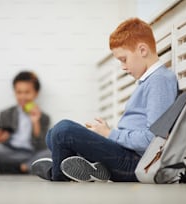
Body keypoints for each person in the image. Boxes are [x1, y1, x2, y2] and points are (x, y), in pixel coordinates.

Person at [31, 17, 178, 182]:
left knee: (62, 130)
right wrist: (108, 133)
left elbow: (153, 140)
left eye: (124, 59)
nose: (123, 66)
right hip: (125, 153)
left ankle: (57, 174)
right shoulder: (149, 81)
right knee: (52, 135)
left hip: (136, 163)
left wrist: (110, 134)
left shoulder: (160, 81)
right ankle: (82, 168)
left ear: (143, 50)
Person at [0, 71, 51, 174]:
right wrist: (1, 138)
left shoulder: (44, 117)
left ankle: (18, 168)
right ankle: (27, 166)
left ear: (36, 94)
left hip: (31, 153)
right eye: (19, 92)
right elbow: (2, 141)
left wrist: (35, 122)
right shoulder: (6, 113)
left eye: (27, 92)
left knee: (51, 153)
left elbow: (41, 146)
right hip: (11, 151)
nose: (23, 97)